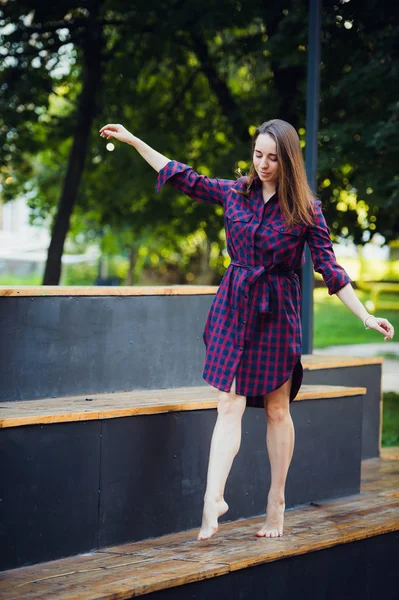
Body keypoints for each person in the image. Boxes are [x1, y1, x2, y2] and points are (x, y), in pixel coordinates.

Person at [99, 119, 394, 541]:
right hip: (234, 305)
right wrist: (133, 140)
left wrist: (365, 315)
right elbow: (182, 175)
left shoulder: (306, 210)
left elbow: (330, 269)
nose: (263, 164)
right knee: (228, 405)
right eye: (258, 155)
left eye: (273, 158)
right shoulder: (234, 192)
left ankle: (276, 503)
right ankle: (212, 498)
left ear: (288, 160)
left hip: (276, 312)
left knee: (277, 410)